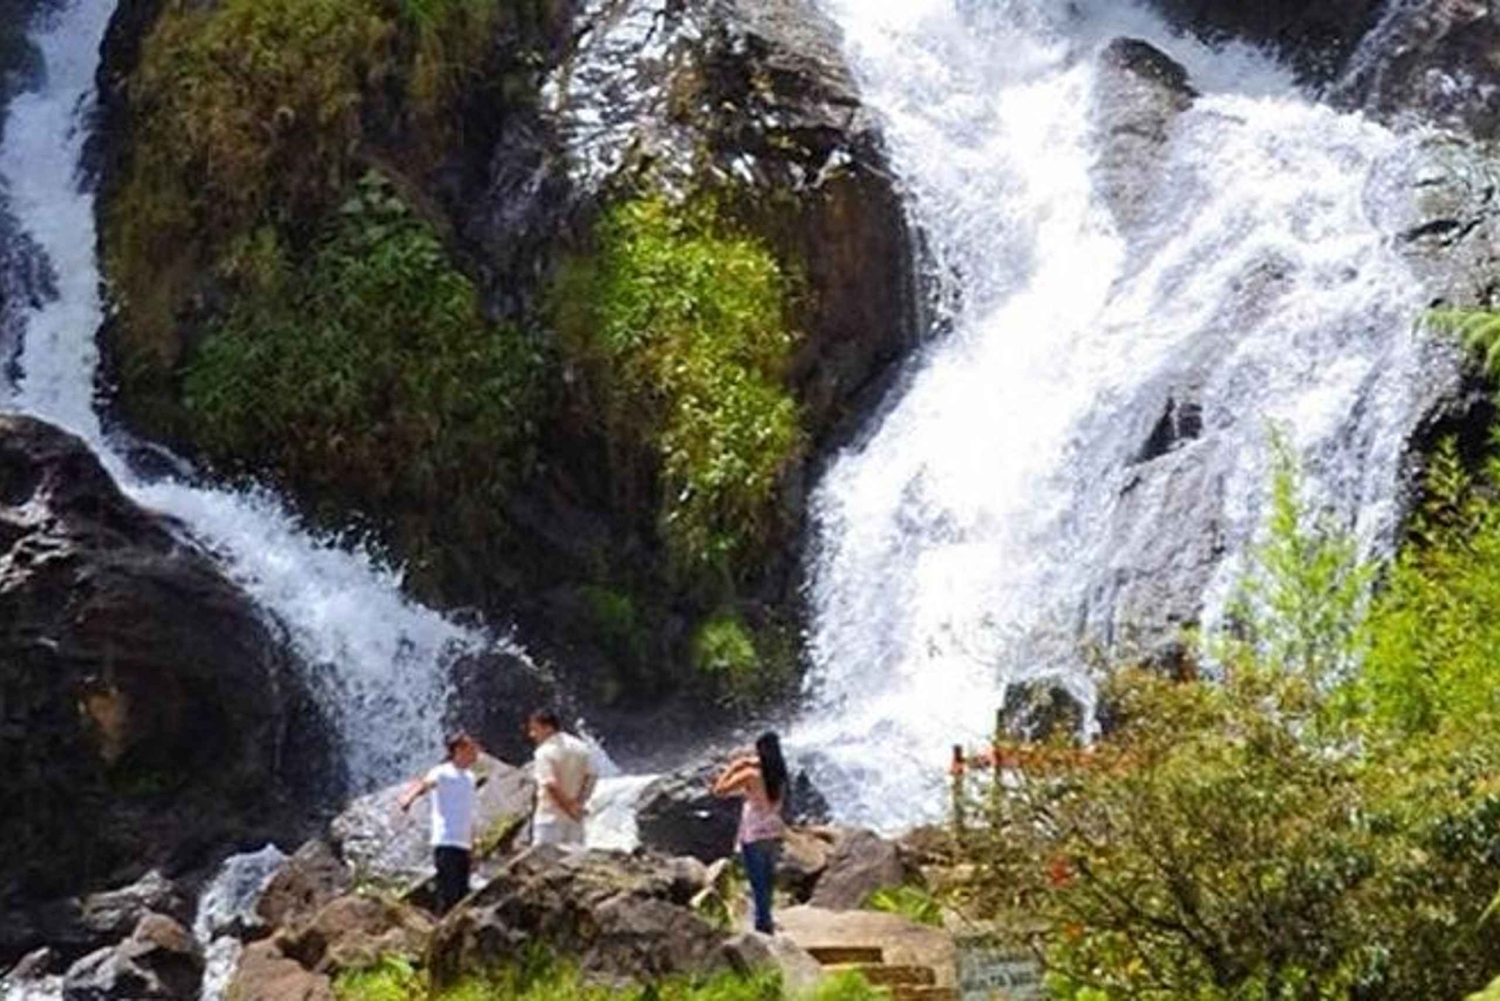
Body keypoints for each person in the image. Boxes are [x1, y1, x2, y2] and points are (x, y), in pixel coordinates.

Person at [712, 731, 788, 935]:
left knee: (757, 882)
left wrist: (734, 767)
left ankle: (763, 924)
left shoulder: (750, 775)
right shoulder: (780, 774)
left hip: (753, 833)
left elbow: (719, 790)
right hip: (773, 831)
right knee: (768, 880)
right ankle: (766, 918)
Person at [397, 731, 480, 916]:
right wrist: (407, 798)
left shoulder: (470, 777)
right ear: (459, 750)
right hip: (446, 840)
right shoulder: (442, 771)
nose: (476, 752)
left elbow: (469, 811)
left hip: (463, 842)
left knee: (462, 894)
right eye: (472, 748)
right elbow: (424, 784)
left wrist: (474, 840)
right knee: (448, 893)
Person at [526, 709, 598, 847]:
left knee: (544, 864)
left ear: (548, 728)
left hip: (550, 818)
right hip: (575, 821)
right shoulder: (581, 747)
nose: (532, 735)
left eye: (535, 729)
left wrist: (568, 809)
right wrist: (579, 803)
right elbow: (592, 776)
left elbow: (550, 785)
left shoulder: (544, 751)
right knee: (573, 863)